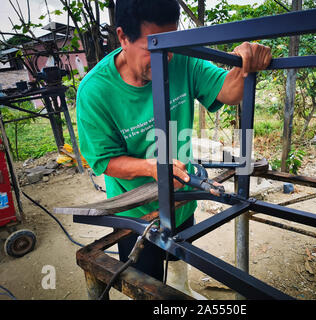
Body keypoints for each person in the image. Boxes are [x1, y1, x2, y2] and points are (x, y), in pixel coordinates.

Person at [76, 0, 272, 298]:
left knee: (178, 256)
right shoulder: (95, 91)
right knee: (146, 281)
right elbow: (104, 161)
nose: (165, 58)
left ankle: (182, 288)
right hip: (138, 212)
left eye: (171, 43)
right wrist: (152, 168)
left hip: (181, 197)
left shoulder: (181, 59)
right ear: (122, 37)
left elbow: (228, 91)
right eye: (153, 47)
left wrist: (243, 63)